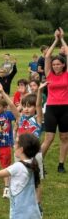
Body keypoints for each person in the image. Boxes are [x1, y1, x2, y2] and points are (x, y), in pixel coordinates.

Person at [41, 28, 68, 173]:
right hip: (51, 108)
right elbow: (47, 56)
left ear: (63, 65)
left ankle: (61, 164)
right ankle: (39, 163)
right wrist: (56, 40)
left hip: (65, 108)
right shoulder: (49, 74)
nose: (56, 66)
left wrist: (63, 39)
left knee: (64, 137)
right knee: (49, 138)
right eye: (54, 64)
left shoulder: (67, 75)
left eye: (59, 64)